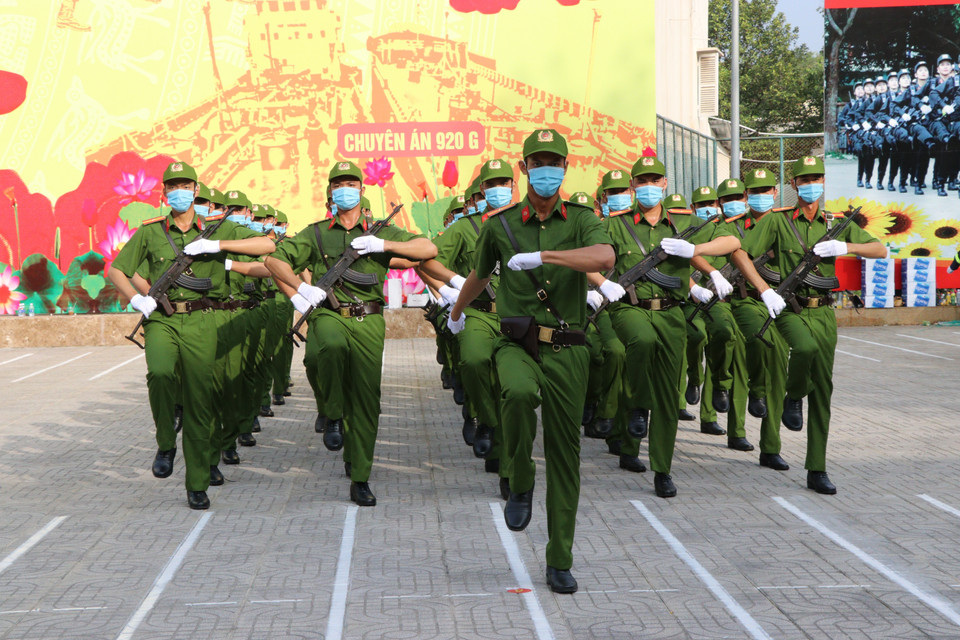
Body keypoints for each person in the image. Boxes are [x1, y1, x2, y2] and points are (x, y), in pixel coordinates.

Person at [449, 129, 614, 594]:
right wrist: (457, 312)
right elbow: (480, 277)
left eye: (554, 162)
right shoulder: (499, 224)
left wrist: (545, 256)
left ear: (565, 167)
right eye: (537, 161)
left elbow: (605, 255)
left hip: (569, 346)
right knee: (518, 394)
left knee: (566, 456)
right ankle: (519, 478)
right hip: (517, 342)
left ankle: (559, 558)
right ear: (523, 168)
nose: (546, 169)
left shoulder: (581, 219)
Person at [265, 160, 437, 507]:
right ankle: (331, 410)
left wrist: (383, 246)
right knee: (320, 353)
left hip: (369, 319)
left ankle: (360, 476)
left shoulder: (379, 231)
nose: (345, 189)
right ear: (330, 192)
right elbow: (274, 260)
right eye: (338, 184)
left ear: (362, 189)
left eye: (351, 183)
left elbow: (427, 249)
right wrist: (301, 289)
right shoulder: (316, 233)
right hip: (329, 313)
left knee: (366, 399)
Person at [107, 162, 275, 509]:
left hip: (204, 321)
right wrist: (138, 299)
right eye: (172, 187)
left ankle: (197, 482)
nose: (179, 192)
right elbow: (117, 269)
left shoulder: (219, 229)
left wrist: (219, 247)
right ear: (164, 193)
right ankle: (166, 440)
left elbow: (268, 245)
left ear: (196, 190)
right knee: (161, 373)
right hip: (164, 320)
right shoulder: (151, 232)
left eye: (185, 185)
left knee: (201, 401)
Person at [591, 156, 740, 499]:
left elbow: (731, 242)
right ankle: (637, 404)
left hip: (673, 313)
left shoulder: (683, 224)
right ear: (633, 186)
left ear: (664, 184)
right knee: (640, 343)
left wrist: (697, 250)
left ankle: (662, 468)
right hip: (631, 309)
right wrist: (601, 283)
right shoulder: (616, 224)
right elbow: (587, 254)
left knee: (668, 392)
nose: (647, 185)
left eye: (653, 179)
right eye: (640, 180)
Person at [740, 156, 885, 494]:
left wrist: (845, 246)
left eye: (816, 178)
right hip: (789, 308)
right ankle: (793, 395)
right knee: (803, 348)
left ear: (823, 181)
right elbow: (742, 253)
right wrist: (764, 291)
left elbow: (880, 248)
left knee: (823, 387)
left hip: (823, 312)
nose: (810, 184)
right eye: (804, 180)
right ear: (794, 185)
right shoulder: (776, 222)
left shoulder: (834, 222)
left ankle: (816, 467)